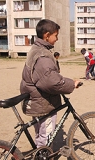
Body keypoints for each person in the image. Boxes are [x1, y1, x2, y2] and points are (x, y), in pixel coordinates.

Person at [20, 19, 81, 148]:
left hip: (35, 100)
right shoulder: (42, 55)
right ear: (47, 35)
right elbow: (51, 82)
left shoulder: (36, 49)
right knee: (45, 139)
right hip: (43, 103)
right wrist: (71, 84)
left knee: (40, 134)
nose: (57, 39)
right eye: (56, 35)